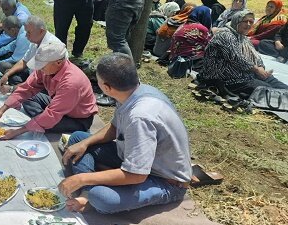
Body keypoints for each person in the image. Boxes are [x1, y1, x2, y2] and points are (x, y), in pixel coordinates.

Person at [58, 53, 192, 214]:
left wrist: (81, 178)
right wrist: (85, 143)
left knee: (101, 197)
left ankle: (90, 193)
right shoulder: (134, 92)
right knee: (78, 139)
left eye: (98, 81)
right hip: (135, 159)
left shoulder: (140, 117)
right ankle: (89, 190)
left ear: (106, 88)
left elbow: (137, 175)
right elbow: (114, 127)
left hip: (164, 180)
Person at [0, 39, 97, 137]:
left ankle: (41, 121)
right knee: (29, 98)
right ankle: (40, 120)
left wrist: (18, 131)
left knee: (48, 124)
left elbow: (53, 113)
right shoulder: (45, 69)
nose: (39, 68)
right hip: (56, 104)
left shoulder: (72, 82)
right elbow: (27, 88)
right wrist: (1, 110)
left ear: (58, 62)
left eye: (42, 65)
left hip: (77, 118)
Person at [198, 10, 288, 96]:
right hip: (227, 79)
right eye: (245, 21)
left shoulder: (243, 38)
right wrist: (256, 69)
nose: (248, 24)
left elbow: (255, 55)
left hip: (246, 74)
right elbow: (235, 57)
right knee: (268, 90)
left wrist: (261, 67)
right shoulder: (225, 35)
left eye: (251, 22)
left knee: (278, 84)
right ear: (237, 21)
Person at [0, 15, 59, 92]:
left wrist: (11, 89)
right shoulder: (35, 41)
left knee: (29, 97)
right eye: (26, 32)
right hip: (32, 74)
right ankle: (21, 89)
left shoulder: (50, 47)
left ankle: (21, 90)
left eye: (29, 32)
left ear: (41, 31)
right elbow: (24, 61)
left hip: (44, 84)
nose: (26, 35)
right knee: (7, 71)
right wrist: (7, 75)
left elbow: (38, 81)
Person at [0, 16, 31, 80]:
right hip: (26, 60)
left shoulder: (23, 37)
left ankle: (19, 80)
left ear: (12, 30)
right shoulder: (21, 32)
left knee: (2, 65)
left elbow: (15, 59)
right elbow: (10, 46)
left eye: (6, 31)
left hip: (30, 67)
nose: (5, 33)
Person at [169, 6, 212, 71]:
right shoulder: (201, 28)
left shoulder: (183, 25)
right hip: (189, 62)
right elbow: (210, 45)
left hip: (174, 60)